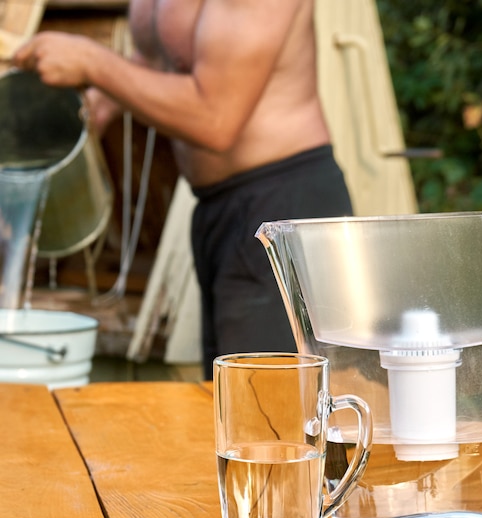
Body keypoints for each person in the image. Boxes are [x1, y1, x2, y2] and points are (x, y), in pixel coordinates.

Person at [12, 0, 353, 378]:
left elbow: (217, 119)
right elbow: (162, 58)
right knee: (230, 400)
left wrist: (93, 62)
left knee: (273, 413)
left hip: (283, 204)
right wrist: (95, 105)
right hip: (215, 207)